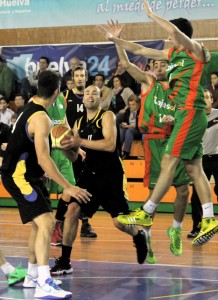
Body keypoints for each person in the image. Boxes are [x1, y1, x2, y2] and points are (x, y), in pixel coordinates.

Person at [101, 8, 218, 246]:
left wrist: (152, 14)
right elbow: (139, 50)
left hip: (189, 112)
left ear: (179, 35)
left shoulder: (197, 51)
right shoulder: (173, 55)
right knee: (194, 168)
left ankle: (146, 212)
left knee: (170, 162)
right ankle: (209, 218)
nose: (168, 39)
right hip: (186, 115)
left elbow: (175, 30)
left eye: (171, 36)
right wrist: (115, 39)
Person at [0, 70, 91, 299]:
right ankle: (43, 282)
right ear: (58, 92)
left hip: (28, 175)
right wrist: (67, 186)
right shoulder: (41, 117)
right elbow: (43, 158)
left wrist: (65, 146)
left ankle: (32, 277)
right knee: (47, 222)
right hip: (19, 176)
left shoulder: (30, 106)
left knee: (39, 225)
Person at [50, 85, 148, 275]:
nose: (90, 95)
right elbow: (75, 157)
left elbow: (110, 145)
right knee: (72, 209)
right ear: (83, 99)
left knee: (119, 222)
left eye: (94, 92)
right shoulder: (78, 123)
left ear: (100, 98)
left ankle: (138, 236)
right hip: (90, 175)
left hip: (111, 175)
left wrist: (79, 142)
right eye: (87, 93)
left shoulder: (107, 116)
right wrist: (64, 147)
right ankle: (65, 261)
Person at [110, 33, 191, 259]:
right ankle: (146, 237)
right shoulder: (148, 82)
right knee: (154, 194)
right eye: (156, 63)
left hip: (176, 138)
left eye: (164, 63)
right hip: (154, 142)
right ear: (152, 67)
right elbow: (125, 64)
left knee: (183, 190)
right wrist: (117, 40)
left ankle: (176, 228)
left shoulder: (181, 88)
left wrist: (177, 120)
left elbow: (193, 113)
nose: (160, 66)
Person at [187, 89, 218, 239]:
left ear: (211, 100)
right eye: (202, 98)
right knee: (196, 194)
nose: (205, 100)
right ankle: (196, 227)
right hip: (201, 160)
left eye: (207, 97)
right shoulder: (195, 118)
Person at [61, 66, 97, 238]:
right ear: (73, 78)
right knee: (70, 185)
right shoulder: (65, 97)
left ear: (86, 77)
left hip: (88, 147)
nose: (80, 78)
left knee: (86, 185)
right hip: (71, 148)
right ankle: (59, 222)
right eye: (77, 76)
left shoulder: (92, 97)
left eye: (83, 75)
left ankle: (85, 223)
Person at [120, 94, 142, 159]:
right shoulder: (128, 111)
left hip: (138, 131)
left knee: (129, 131)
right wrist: (123, 124)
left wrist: (128, 126)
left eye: (133, 105)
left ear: (138, 104)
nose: (131, 107)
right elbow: (124, 121)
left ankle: (126, 152)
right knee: (121, 130)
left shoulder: (141, 111)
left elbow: (140, 125)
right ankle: (118, 151)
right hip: (128, 130)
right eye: (130, 105)